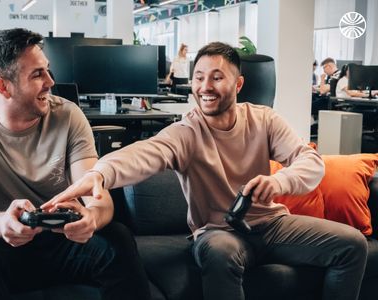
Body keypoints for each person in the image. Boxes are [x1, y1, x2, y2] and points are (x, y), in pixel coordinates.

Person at [46, 42, 368, 300]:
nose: (205, 86)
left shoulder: (264, 119)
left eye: (216, 77)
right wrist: (99, 174)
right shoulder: (187, 132)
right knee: (220, 253)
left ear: (238, 84)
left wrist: (279, 180)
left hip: (270, 224)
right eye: (199, 77)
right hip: (217, 231)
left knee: (352, 244)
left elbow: (310, 161)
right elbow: (145, 153)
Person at [0, 28, 150, 300]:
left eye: (47, 70)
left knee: (117, 237)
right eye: (37, 74)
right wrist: (0, 223)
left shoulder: (69, 115)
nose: (50, 81)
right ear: (3, 87)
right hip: (2, 243)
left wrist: (91, 217)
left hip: (64, 240)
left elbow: (97, 197)